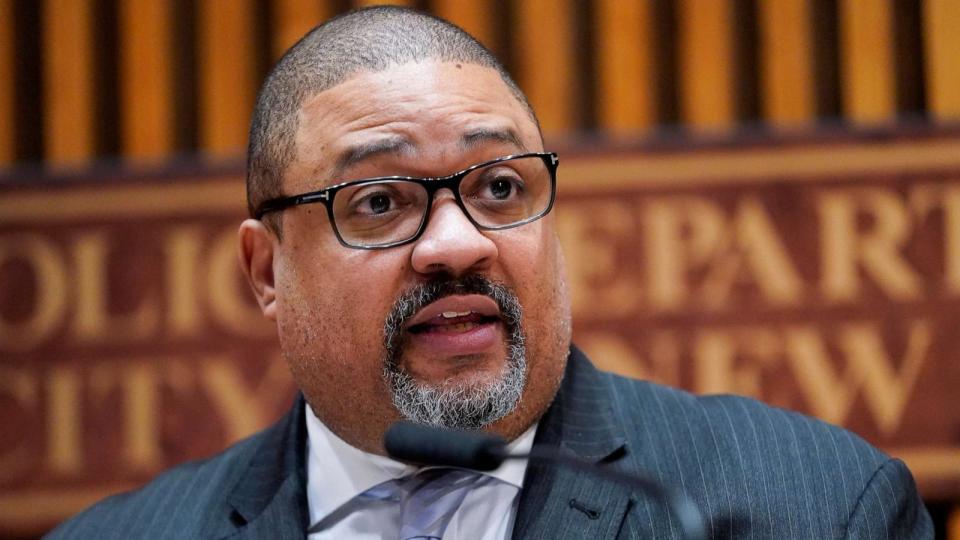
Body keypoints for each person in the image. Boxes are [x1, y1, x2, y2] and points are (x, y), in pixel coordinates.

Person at [48, 6, 932, 539]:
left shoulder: (810, 507)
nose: (456, 244)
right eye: (380, 202)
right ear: (265, 269)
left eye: (501, 186)